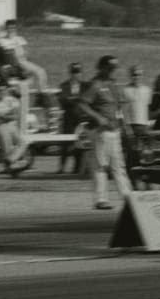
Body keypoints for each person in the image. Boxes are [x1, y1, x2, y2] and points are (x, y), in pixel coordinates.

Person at [73, 54, 132, 210]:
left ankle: (127, 196)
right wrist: (98, 117)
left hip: (114, 130)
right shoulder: (96, 84)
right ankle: (101, 199)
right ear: (103, 68)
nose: (114, 70)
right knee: (100, 165)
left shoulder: (113, 85)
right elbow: (82, 103)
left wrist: (124, 123)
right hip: (101, 131)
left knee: (118, 166)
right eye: (111, 67)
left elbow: (123, 104)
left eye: (115, 67)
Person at [0, 19, 49, 96]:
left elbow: (26, 52)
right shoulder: (1, 40)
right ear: (6, 28)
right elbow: (0, 54)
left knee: (41, 71)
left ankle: (42, 93)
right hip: (11, 63)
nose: (11, 30)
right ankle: (20, 91)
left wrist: (18, 47)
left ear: (15, 28)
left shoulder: (20, 39)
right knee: (29, 77)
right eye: (9, 28)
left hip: (23, 61)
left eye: (13, 28)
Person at [0, 81, 30, 175]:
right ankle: (10, 167)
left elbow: (14, 115)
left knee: (22, 143)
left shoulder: (12, 100)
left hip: (11, 125)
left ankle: (10, 161)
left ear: (6, 90)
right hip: (1, 126)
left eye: (4, 89)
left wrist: (3, 116)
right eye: (0, 90)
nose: (2, 91)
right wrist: (7, 115)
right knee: (7, 146)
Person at [123, 65, 153, 183]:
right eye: (135, 74)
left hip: (144, 125)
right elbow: (124, 111)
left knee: (145, 154)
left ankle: (146, 178)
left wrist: (149, 124)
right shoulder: (126, 90)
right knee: (132, 154)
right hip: (132, 125)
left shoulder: (147, 90)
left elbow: (148, 109)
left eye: (139, 74)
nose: (137, 77)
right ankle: (132, 180)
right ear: (131, 76)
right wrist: (127, 127)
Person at [56, 62, 87, 174]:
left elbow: (86, 100)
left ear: (81, 73)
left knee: (80, 144)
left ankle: (77, 168)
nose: (76, 75)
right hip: (68, 119)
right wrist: (77, 99)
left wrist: (73, 99)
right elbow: (63, 100)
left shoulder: (85, 86)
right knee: (65, 144)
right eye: (74, 72)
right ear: (70, 73)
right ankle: (62, 167)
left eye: (78, 72)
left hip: (81, 120)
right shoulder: (64, 85)